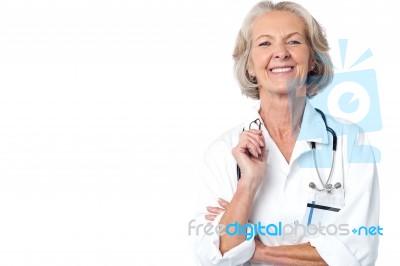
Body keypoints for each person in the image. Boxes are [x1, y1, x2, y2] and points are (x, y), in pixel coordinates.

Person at [192, 1, 380, 265]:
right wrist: (247, 185)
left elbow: (356, 253)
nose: (280, 53)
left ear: (313, 59)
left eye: (293, 42)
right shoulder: (222, 153)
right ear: (249, 64)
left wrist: (256, 250)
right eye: (265, 43)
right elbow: (215, 255)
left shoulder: (351, 142)